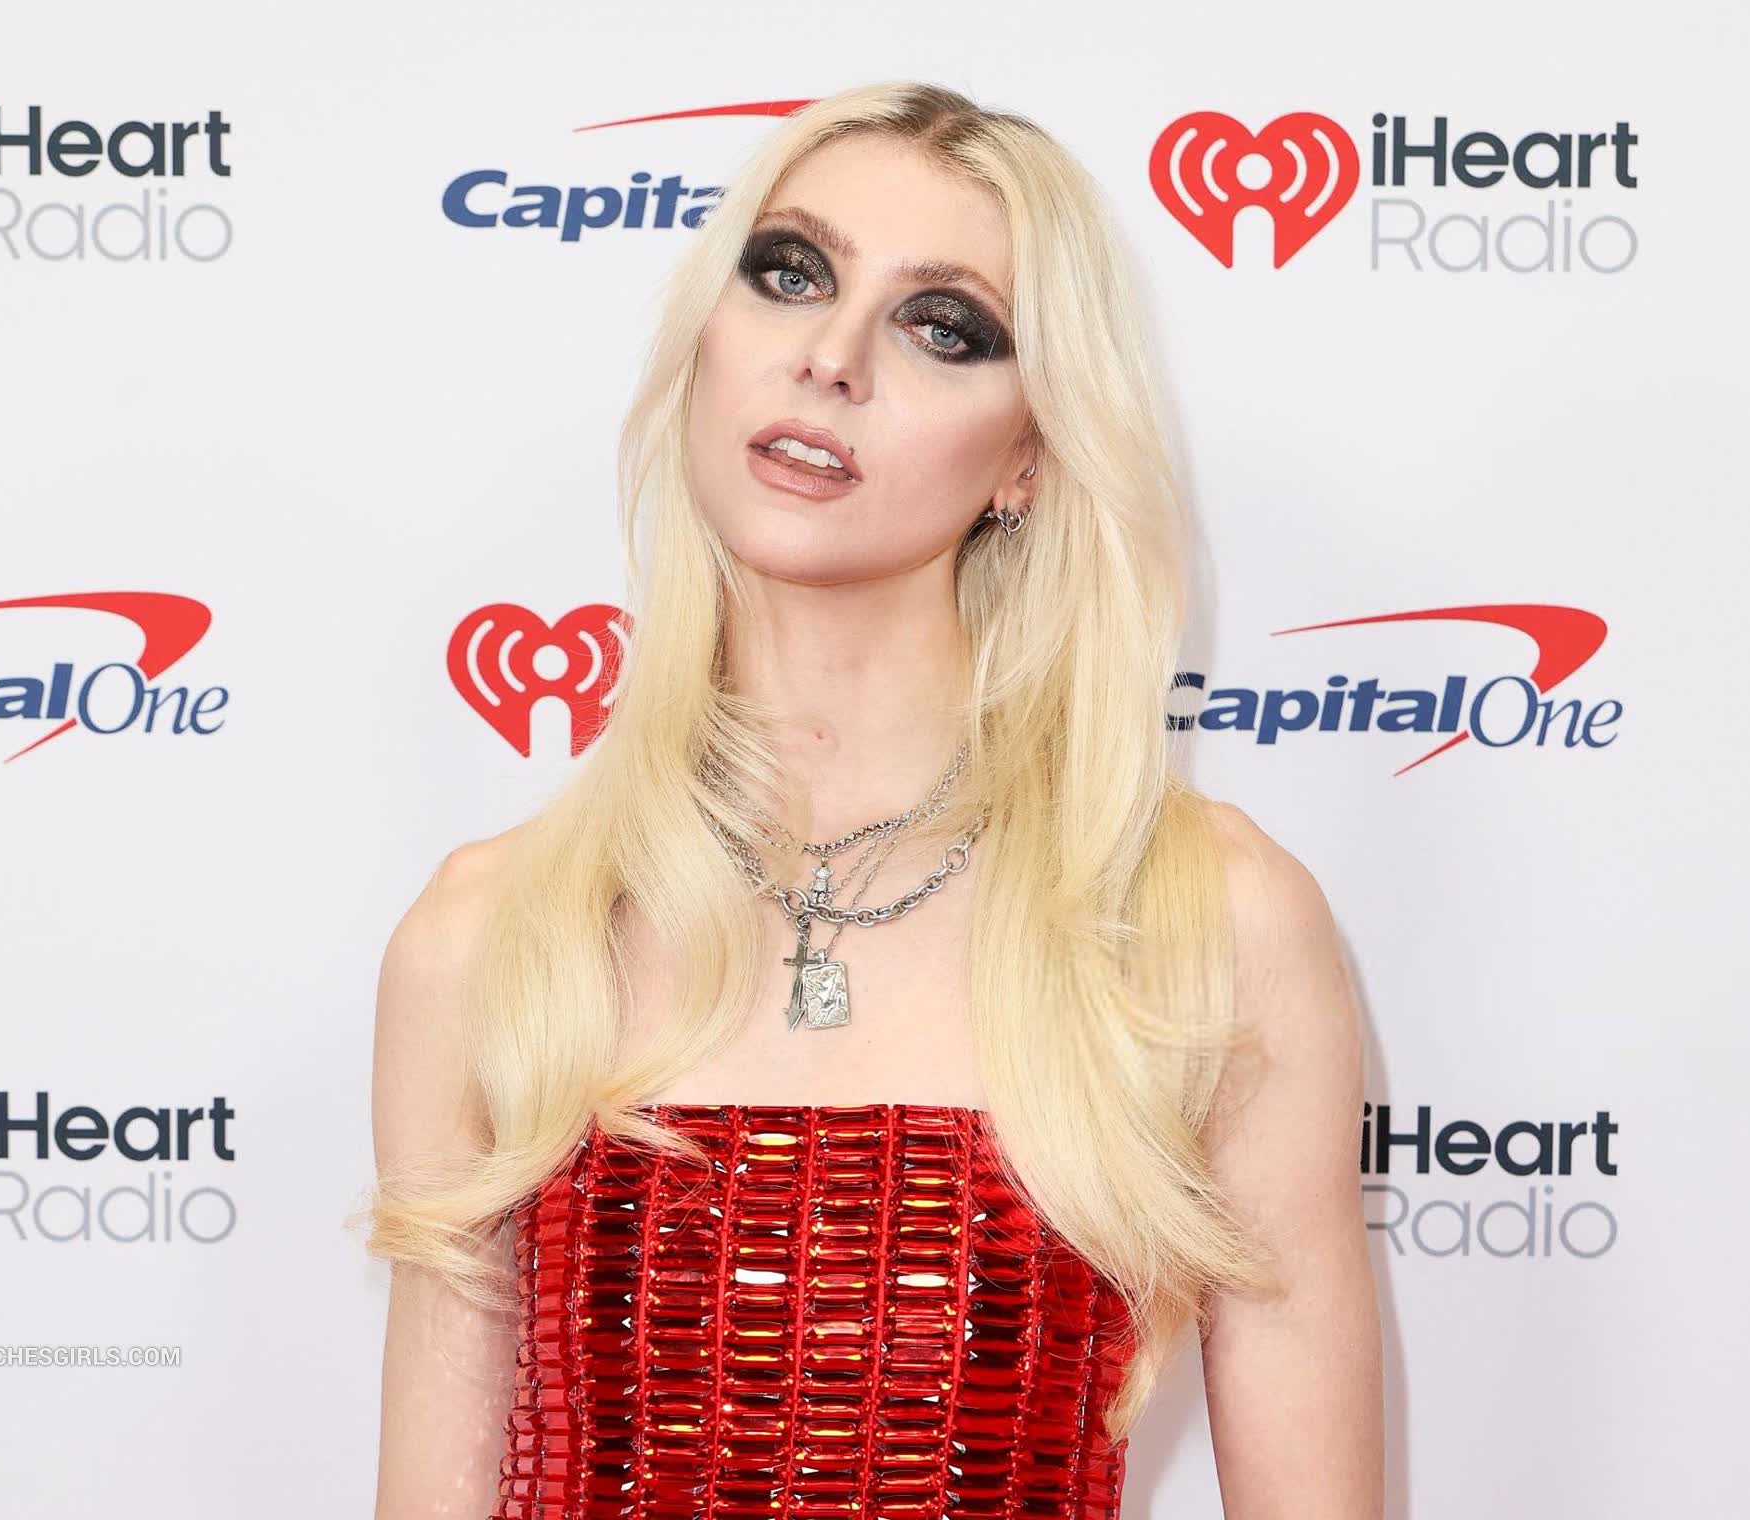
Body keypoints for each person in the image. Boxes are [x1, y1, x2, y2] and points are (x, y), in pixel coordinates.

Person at [357, 80, 1382, 1520]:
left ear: (1030, 456)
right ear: (706, 342)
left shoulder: (1204, 924)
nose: (830, 358)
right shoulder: (491, 937)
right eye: (791, 274)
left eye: (941, 325)